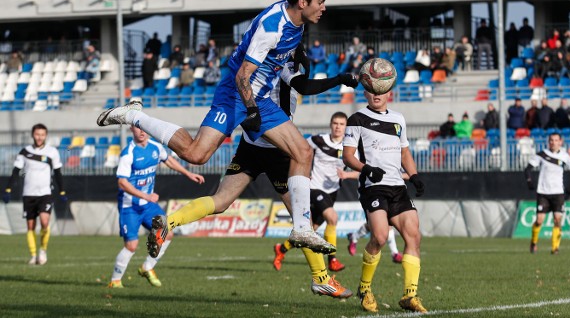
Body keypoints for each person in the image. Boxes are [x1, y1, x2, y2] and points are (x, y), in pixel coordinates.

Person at [97, 0, 335, 254]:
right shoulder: (272, 27)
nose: (324, 7)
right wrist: (252, 112)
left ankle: (302, 229)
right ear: (301, 2)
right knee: (196, 155)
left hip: (260, 99)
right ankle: (134, 115)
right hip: (236, 94)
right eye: (320, 1)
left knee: (303, 153)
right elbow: (242, 76)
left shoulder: (296, 23)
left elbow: (283, 54)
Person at [147, 60, 358, 297]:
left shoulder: (258, 64)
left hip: (251, 143)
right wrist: (339, 79)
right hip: (277, 146)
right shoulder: (284, 63)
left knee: (221, 200)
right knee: (302, 219)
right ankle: (321, 279)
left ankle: (169, 222)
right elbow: (305, 86)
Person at [343, 89, 426, 313]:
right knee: (379, 237)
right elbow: (348, 155)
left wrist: (414, 175)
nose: (375, 94)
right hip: (373, 186)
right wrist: (366, 169)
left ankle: (410, 295)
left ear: (389, 91)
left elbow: (405, 152)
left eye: (380, 90)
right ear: (365, 93)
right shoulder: (357, 119)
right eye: (371, 90)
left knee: (413, 236)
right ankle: (365, 288)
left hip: (397, 186)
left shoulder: (398, 118)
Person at [108, 125, 205, 288]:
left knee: (167, 233)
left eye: (143, 128)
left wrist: (188, 173)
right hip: (129, 206)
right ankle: (115, 281)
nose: (141, 131)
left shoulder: (155, 147)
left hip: (148, 206)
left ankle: (147, 267)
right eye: (137, 128)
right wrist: (145, 195)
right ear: (132, 129)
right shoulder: (128, 153)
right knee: (131, 246)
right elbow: (122, 183)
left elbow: (169, 160)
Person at [273, 112, 357, 273]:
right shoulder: (318, 140)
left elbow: (360, 170)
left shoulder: (349, 147)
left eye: (341, 124)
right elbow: (300, 151)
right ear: (331, 124)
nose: (338, 127)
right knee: (333, 218)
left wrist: (347, 174)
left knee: (310, 230)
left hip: (332, 192)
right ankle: (332, 260)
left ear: (346, 127)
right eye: (335, 123)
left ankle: (281, 249)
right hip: (315, 187)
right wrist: (302, 170)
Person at [4, 124, 65, 265]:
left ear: (46, 136)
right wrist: (8, 189)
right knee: (30, 226)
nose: (39, 137)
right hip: (28, 194)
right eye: (37, 134)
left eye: (42, 134)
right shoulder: (25, 152)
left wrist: (62, 190)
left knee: (45, 223)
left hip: (45, 193)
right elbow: (15, 171)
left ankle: (42, 250)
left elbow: (58, 173)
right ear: (33, 135)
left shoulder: (52, 152)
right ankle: (33, 255)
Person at [525, 132, 570, 255]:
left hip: (558, 193)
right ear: (549, 142)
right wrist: (529, 181)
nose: (553, 142)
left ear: (560, 142)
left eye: (556, 140)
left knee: (557, 220)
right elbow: (527, 169)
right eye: (551, 140)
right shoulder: (542, 155)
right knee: (539, 220)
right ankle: (534, 242)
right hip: (543, 192)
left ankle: (555, 248)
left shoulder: (565, 156)